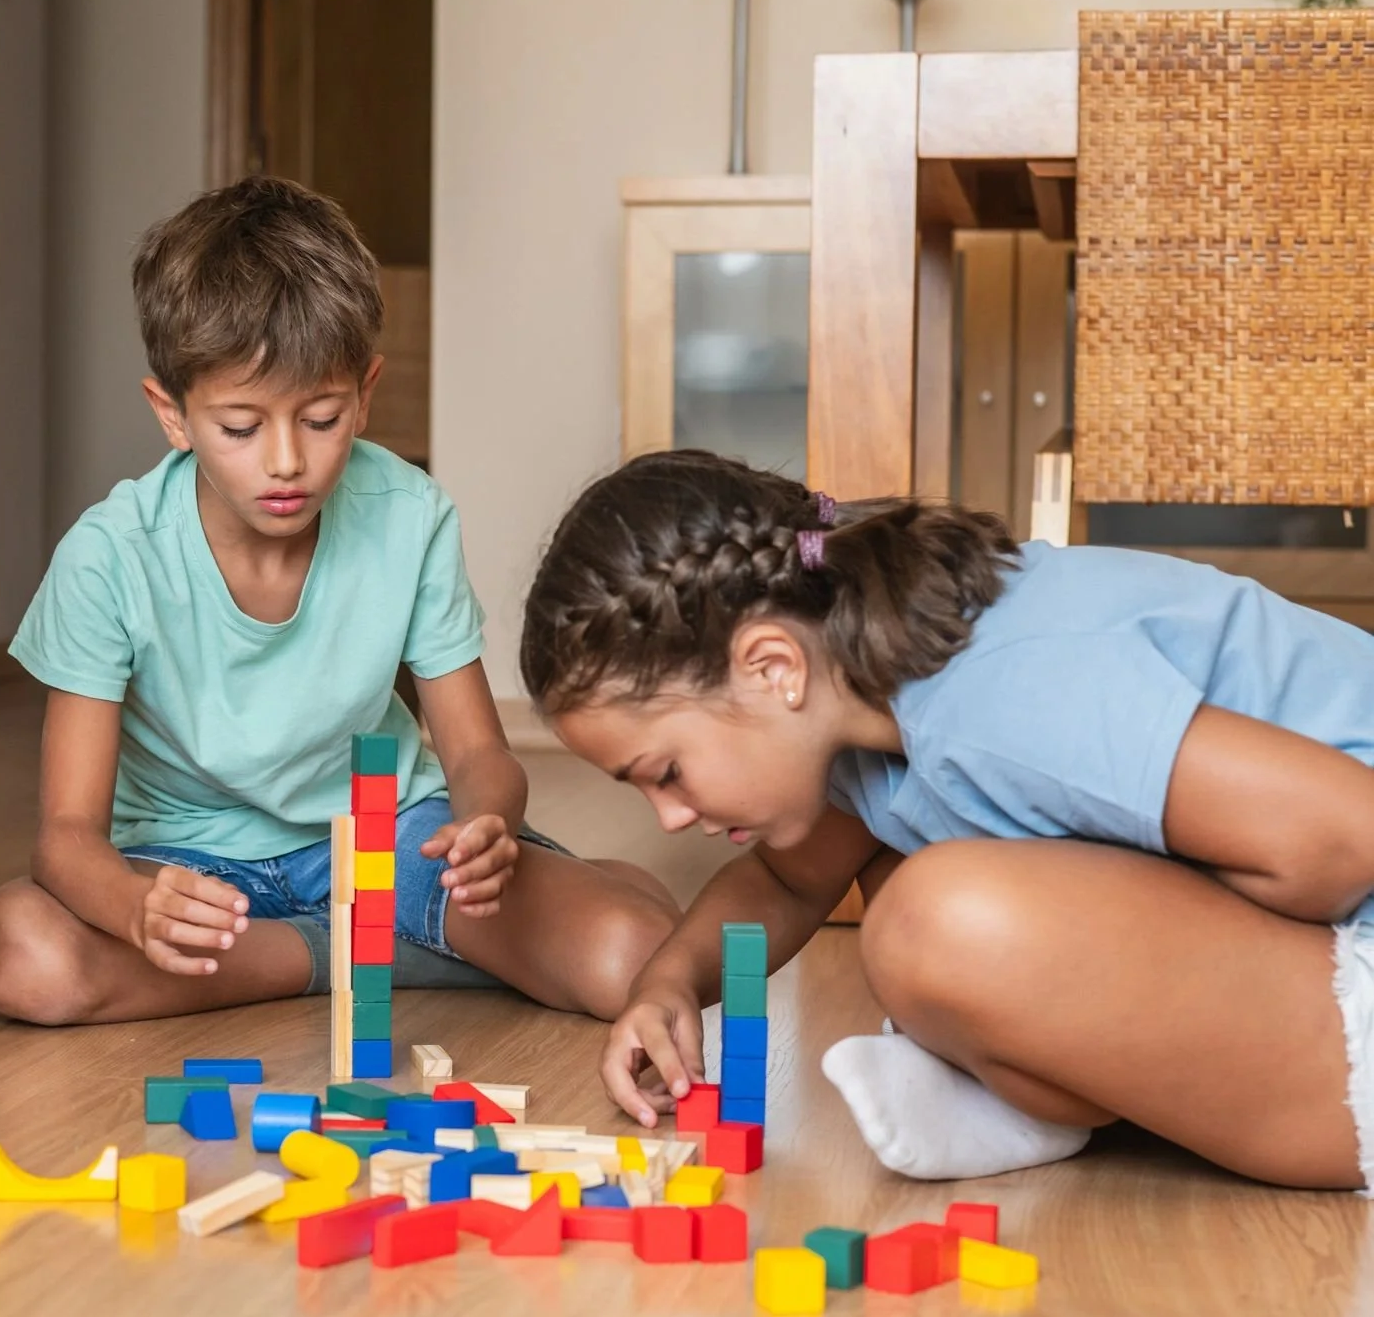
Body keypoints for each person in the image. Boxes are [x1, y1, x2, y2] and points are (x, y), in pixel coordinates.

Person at [520, 447, 1373, 1191]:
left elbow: (1345, 833)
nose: (668, 818)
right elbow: (786, 880)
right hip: (1319, 931)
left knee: (939, 917)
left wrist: (1129, 926)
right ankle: (1042, 1106)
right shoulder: (857, 703)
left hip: (1353, 930)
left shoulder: (1012, 700)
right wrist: (666, 987)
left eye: (666, 773)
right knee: (911, 874)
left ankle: (1035, 1100)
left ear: (771, 665)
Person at [0, 177, 680, 1025]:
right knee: (16, 949)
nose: (285, 463)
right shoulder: (107, 557)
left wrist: (487, 825)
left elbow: (479, 756)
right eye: (239, 428)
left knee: (631, 952)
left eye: (322, 418)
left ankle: (347, 940)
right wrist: (132, 908)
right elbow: (67, 837)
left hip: (384, 842)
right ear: (172, 414)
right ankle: (351, 952)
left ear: (364, 393)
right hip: (185, 863)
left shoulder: (409, 515)